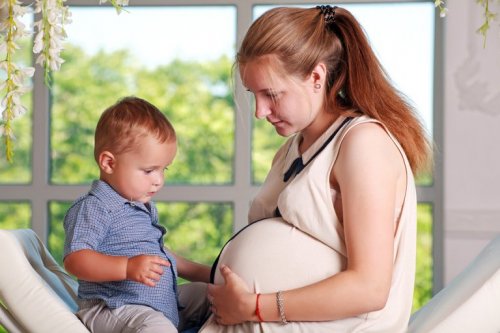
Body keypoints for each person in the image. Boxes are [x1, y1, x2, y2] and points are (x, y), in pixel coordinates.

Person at [202, 5, 431, 333]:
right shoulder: (290, 150)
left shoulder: (362, 143)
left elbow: (370, 288)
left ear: (317, 77)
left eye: (272, 94)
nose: (260, 111)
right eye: (254, 95)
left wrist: (253, 306)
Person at [63, 96, 211, 333]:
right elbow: (76, 259)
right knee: (156, 327)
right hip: (113, 308)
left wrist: (209, 273)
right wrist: (127, 267)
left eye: (164, 170)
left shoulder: (137, 206)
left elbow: (164, 258)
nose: (159, 181)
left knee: (210, 296)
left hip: (157, 306)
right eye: (149, 170)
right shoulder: (95, 206)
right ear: (109, 163)